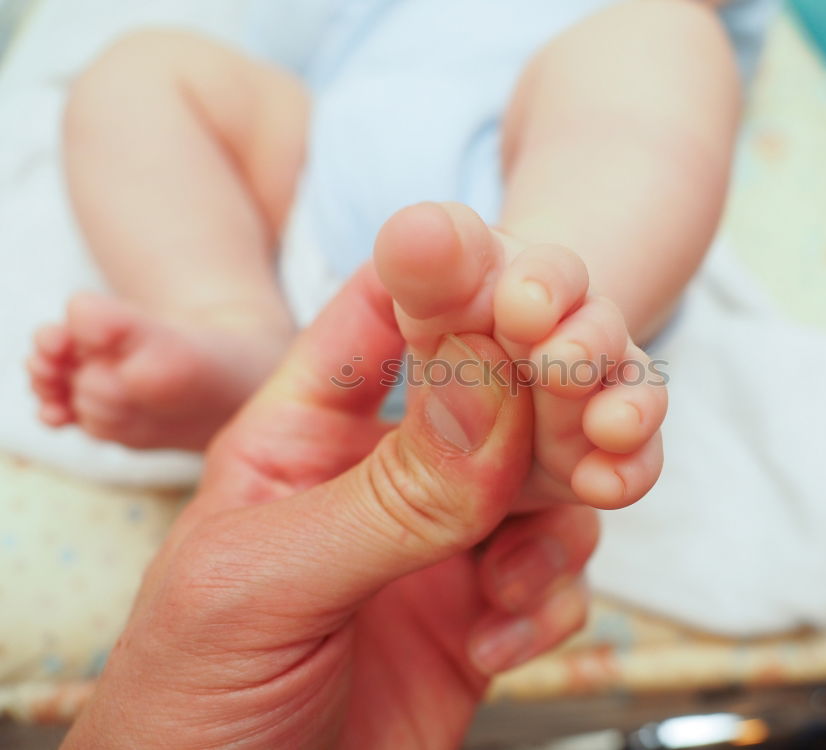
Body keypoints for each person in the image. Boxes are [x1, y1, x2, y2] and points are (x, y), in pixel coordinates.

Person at [27, 0, 744, 509]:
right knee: (142, 68)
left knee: (666, 40)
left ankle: (541, 306)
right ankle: (239, 334)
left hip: (550, 193)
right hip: (319, 184)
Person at [62, 266, 600, 749]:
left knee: (616, 186)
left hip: (408, 290)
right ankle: (236, 335)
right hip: (331, 284)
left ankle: (540, 286)